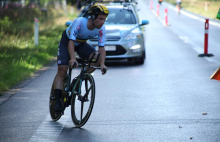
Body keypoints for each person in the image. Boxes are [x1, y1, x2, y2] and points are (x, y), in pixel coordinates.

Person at [53, 4, 109, 112]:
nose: (102, 22)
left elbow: (101, 48)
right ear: (93, 17)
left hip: (81, 43)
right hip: (67, 41)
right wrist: (72, 58)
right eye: (100, 19)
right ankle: (57, 100)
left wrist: (102, 64)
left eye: (104, 19)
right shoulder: (79, 22)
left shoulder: (102, 29)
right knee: (62, 70)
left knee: (97, 59)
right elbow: (71, 41)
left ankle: (78, 80)